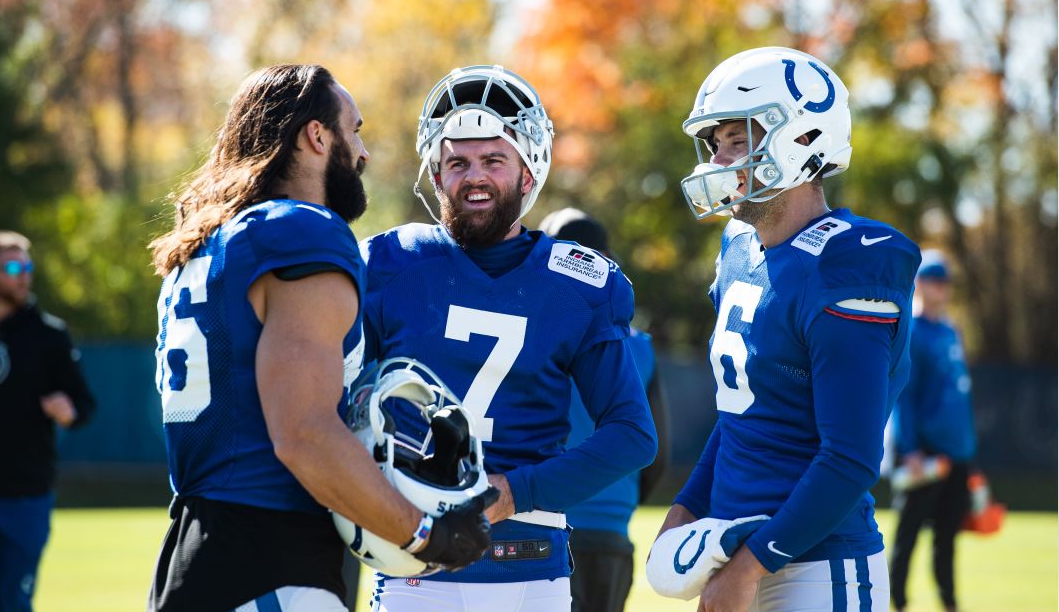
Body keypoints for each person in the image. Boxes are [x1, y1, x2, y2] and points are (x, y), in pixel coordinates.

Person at [145, 64, 496, 612]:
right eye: (354, 130)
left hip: (193, 554)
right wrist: (424, 533)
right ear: (317, 135)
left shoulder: (209, 246)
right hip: (269, 561)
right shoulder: (302, 230)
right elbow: (304, 432)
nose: (363, 152)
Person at [359, 65, 658, 612]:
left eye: (493, 160)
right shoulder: (390, 264)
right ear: (436, 173)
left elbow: (633, 436)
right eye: (457, 163)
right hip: (413, 566)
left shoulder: (577, 284)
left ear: (528, 170)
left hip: (530, 568)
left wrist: (515, 492)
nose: (474, 177)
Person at [649, 47, 921, 612]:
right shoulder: (739, 251)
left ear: (801, 140)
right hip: (734, 556)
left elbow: (851, 455)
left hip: (816, 568)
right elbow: (743, 416)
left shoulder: (849, 264)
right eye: (716, 142)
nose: (719, 160)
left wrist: (750, 569)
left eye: (738, 140)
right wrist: (687, 510)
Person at [536, 207, 670, 612]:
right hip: (611, 535)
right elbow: (657, 454)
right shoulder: (639, 346)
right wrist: (614, 501)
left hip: (541, 527)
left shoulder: (535, 331)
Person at [0, 230, 97, 612]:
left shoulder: (49, 335)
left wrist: (70, 409)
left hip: (26, 495)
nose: (23, 275)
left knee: (15, 602)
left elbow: (85, 403)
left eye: (27, 266)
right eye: (13, 267)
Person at [888, 251, 977, 612]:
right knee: (908, 535)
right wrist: (908, 448)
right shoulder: (912, 331)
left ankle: (950, 604)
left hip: (957, 454)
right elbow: (903, 397)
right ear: (919, 283)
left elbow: (960, 396)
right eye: (936, 280)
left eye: (946, 282)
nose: (943, 288)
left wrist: (970, 454)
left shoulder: (950, 330)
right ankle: (898, 602)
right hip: (924, 453)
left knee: (947, 538)